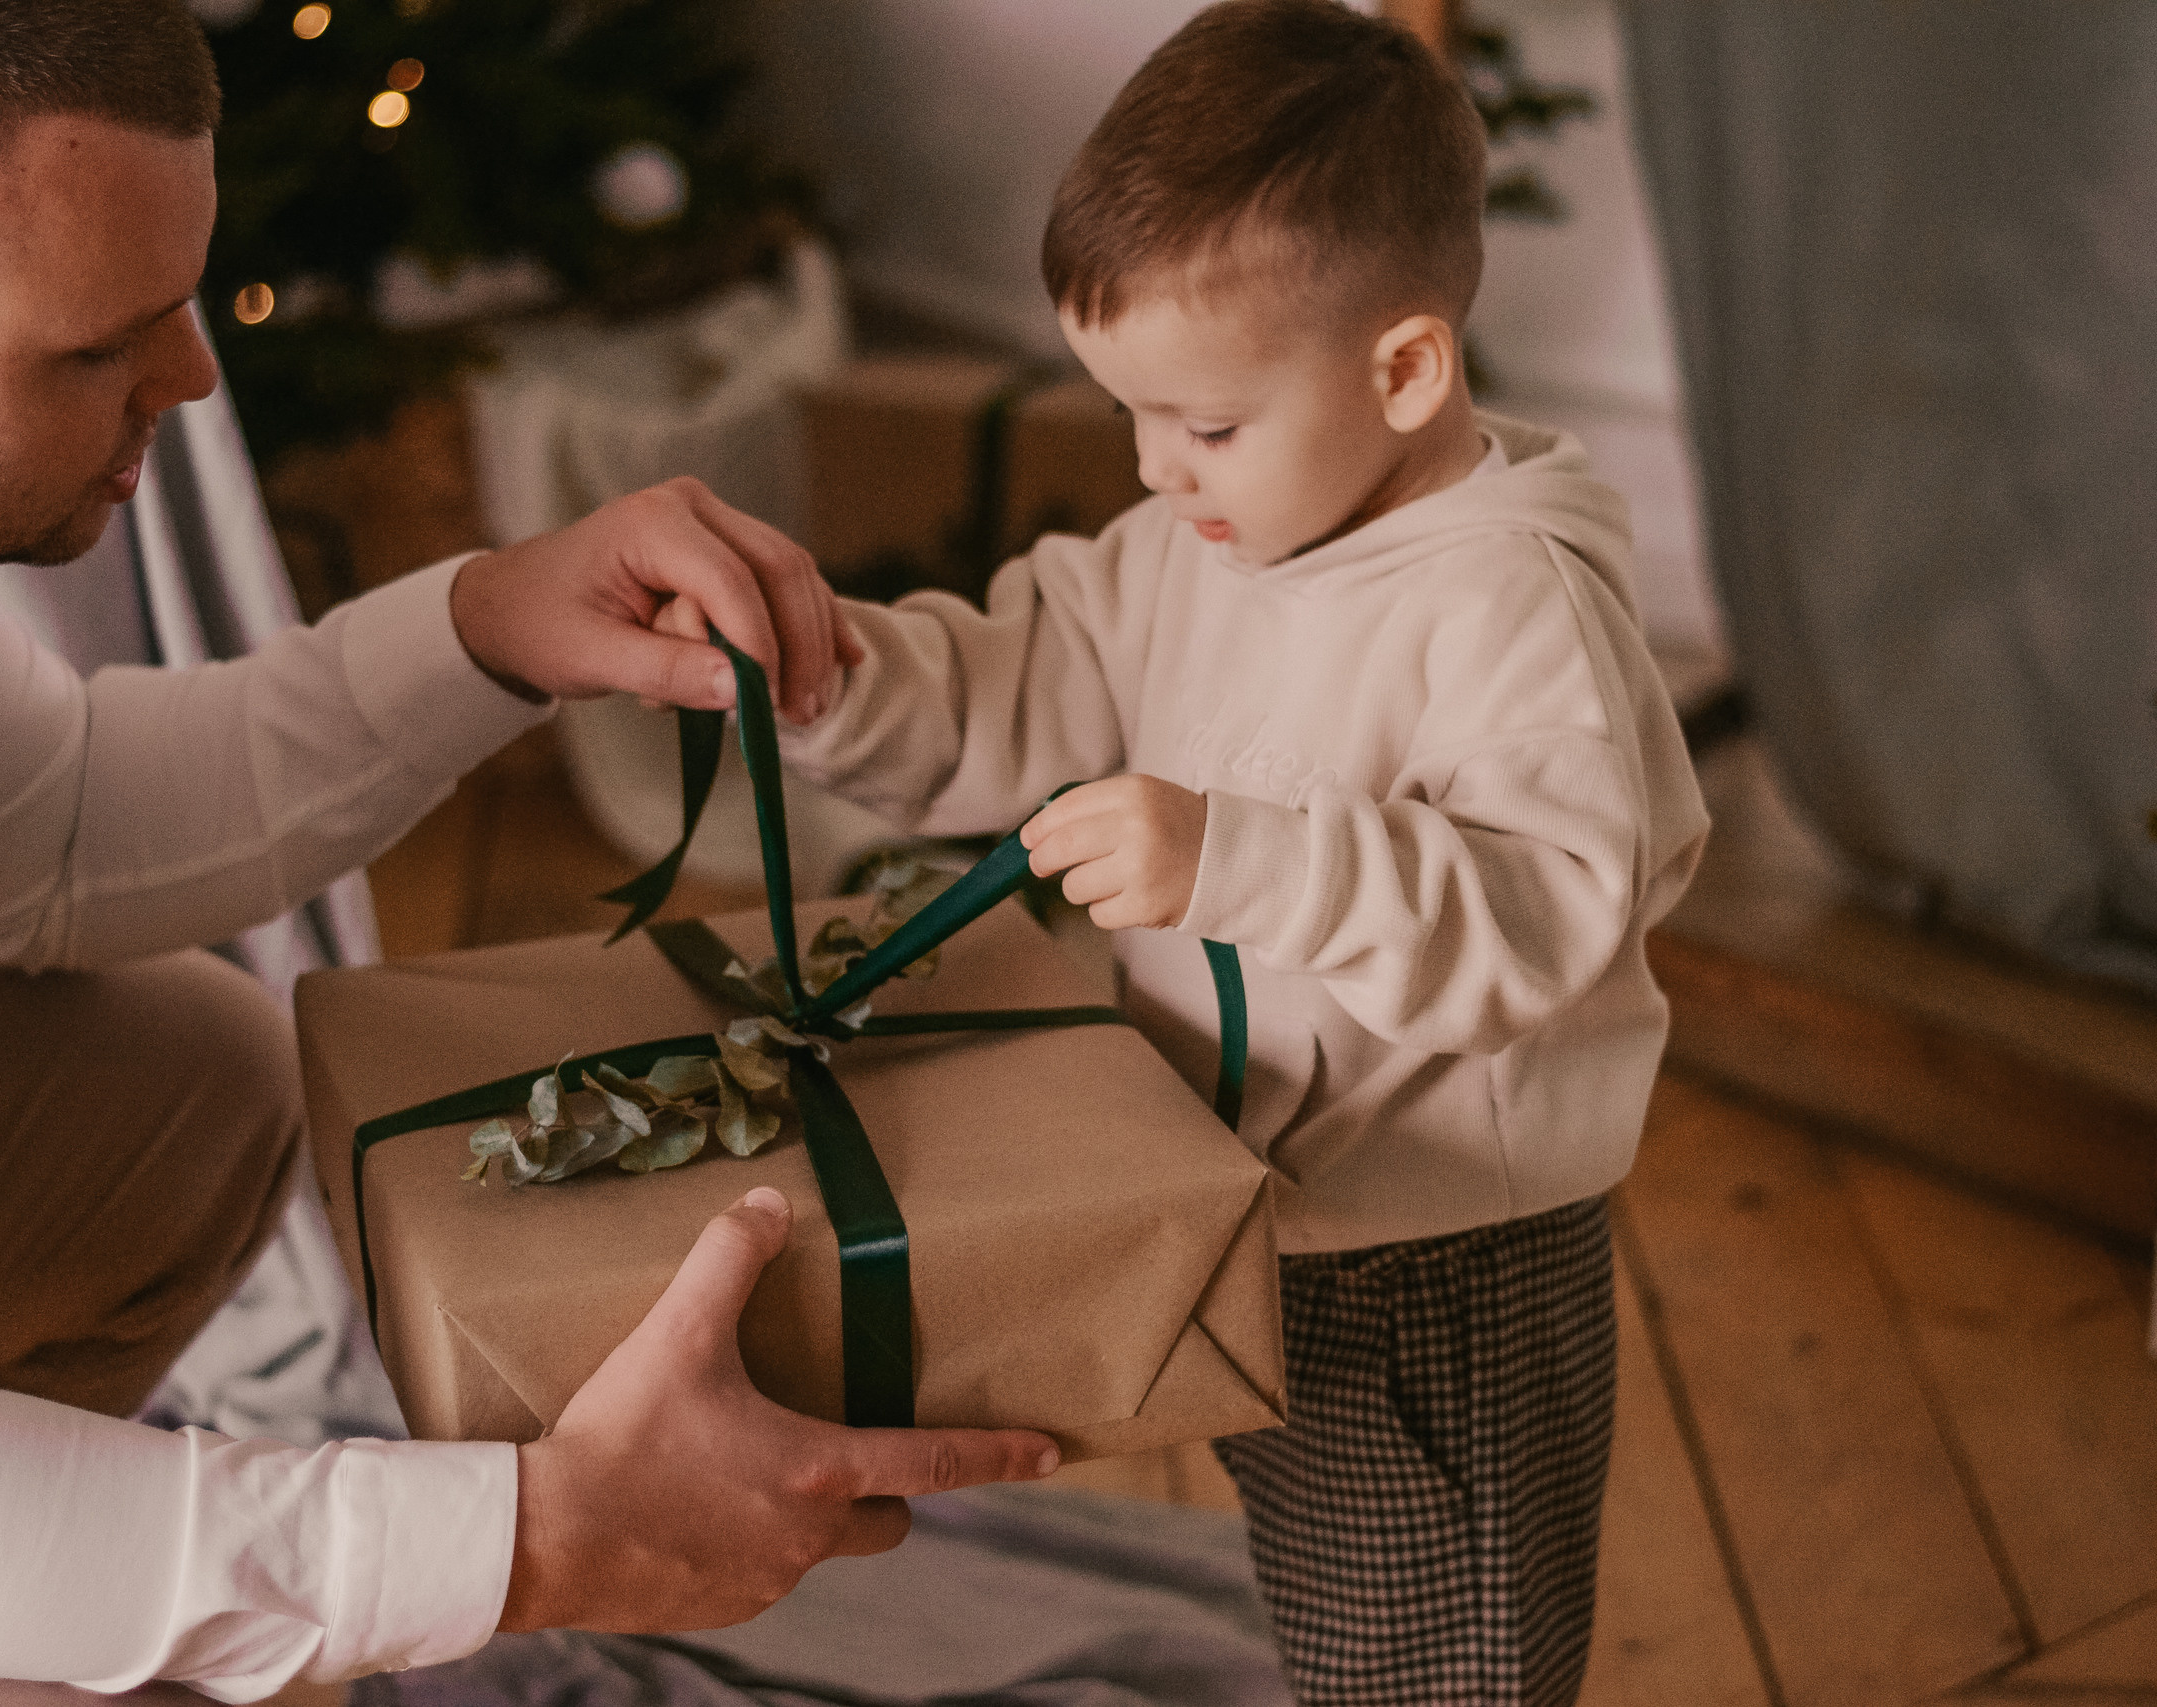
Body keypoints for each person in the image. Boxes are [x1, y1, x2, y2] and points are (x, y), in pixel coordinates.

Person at [0, 2, 1058, 1699]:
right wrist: (530, 1536)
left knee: (180, 1075)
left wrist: (492, 627)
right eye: (97, 351)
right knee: (32, 1642)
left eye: (180, 310)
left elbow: (58, 836)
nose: (194, 379)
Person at [719, 4, 1712, 1701]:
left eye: (1204, 424)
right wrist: (832, 668)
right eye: (1129, 414)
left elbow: (1544, 921)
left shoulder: (1508, 608)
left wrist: (1241, 858)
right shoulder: (1214, 532)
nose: (1154, 468)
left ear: (1406, 366)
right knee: (1328, 1593)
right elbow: (1026, 673)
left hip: (1434, 1262)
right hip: (1259, 1202)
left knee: (1437, 1654)